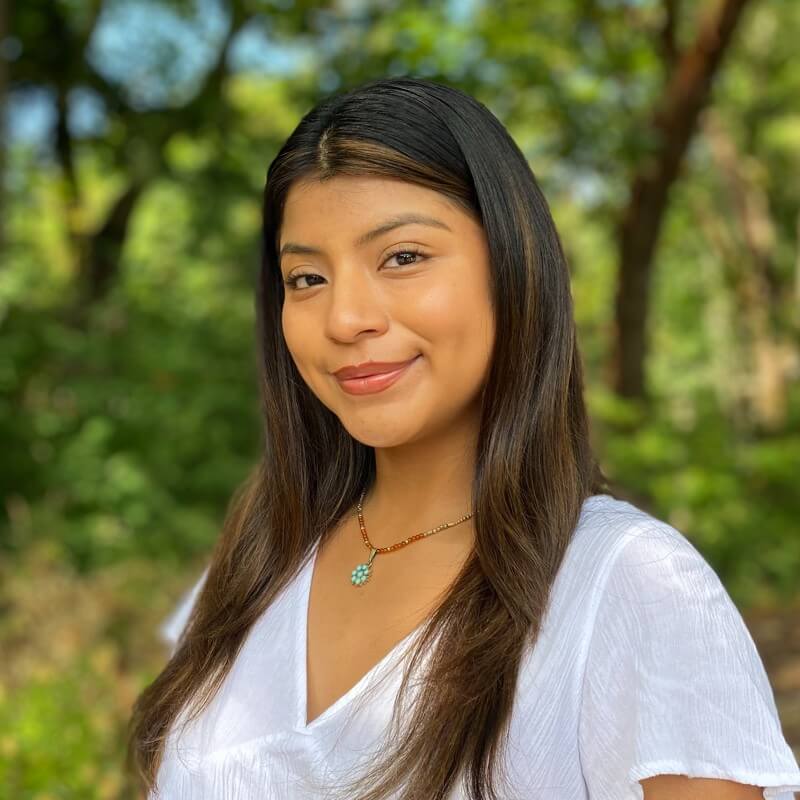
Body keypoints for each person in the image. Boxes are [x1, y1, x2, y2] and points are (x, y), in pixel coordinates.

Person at [127, 76, 800, 800]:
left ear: (512, 266)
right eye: (307, 277)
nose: (345, 318)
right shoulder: (259, 555)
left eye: (403, 257)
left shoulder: (630, 583)